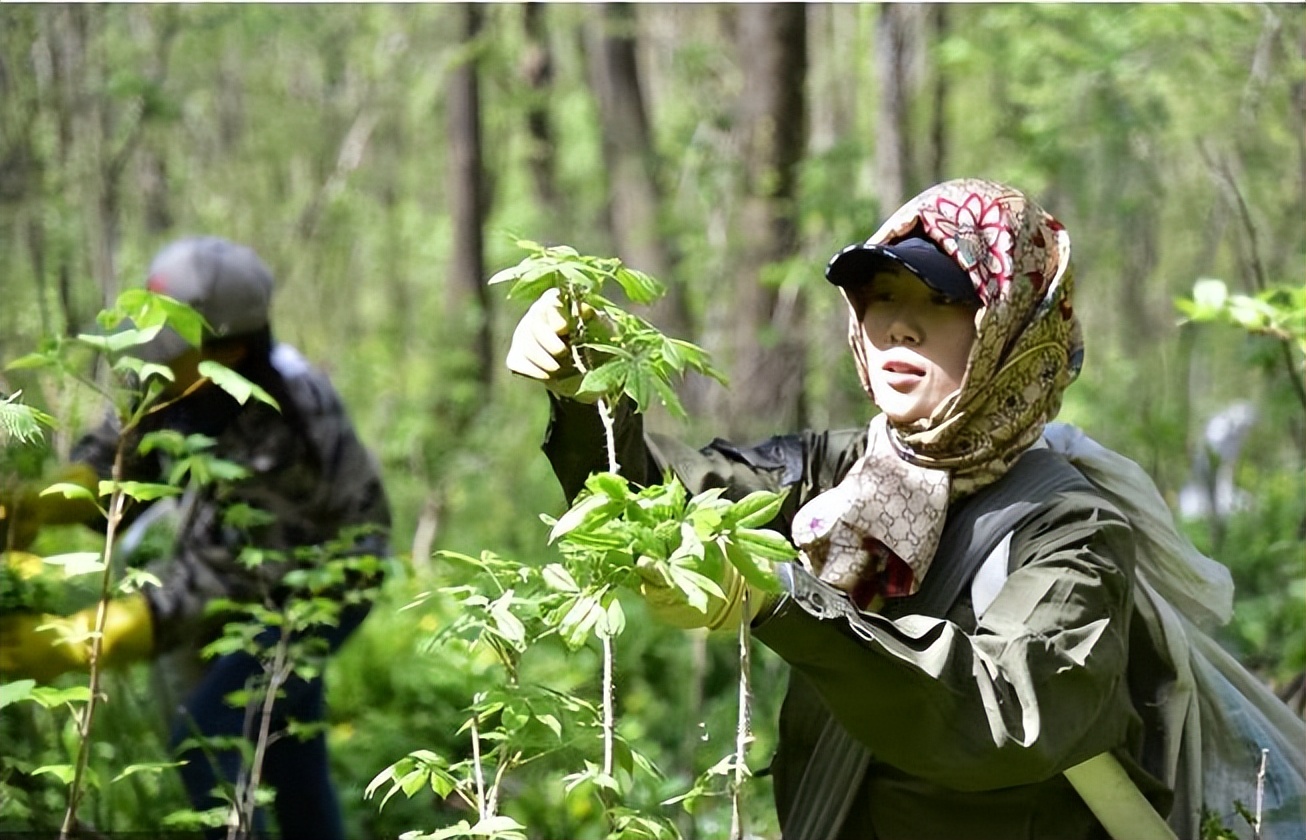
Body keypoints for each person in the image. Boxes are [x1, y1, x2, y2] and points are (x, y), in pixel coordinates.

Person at [507, 179, 1306, 839]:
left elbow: (1007, 714)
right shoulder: (837, 476)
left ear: (1010, 325)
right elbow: (656, 507)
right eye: (879, 293)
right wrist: (585, 390)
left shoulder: (1072, 529)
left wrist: (785, 600)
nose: (897, 323)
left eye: (940, 298)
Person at [0, 236, 392, 840]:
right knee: (287, 744)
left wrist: (74, 642)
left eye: (167, 348)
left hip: (329, 582)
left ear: (228, 352)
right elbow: (120, 448)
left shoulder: (285, 422)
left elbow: (217, 578)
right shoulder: (178, 376)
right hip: (260, 576)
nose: (148, 364)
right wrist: (48, 501)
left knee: (207, 733)